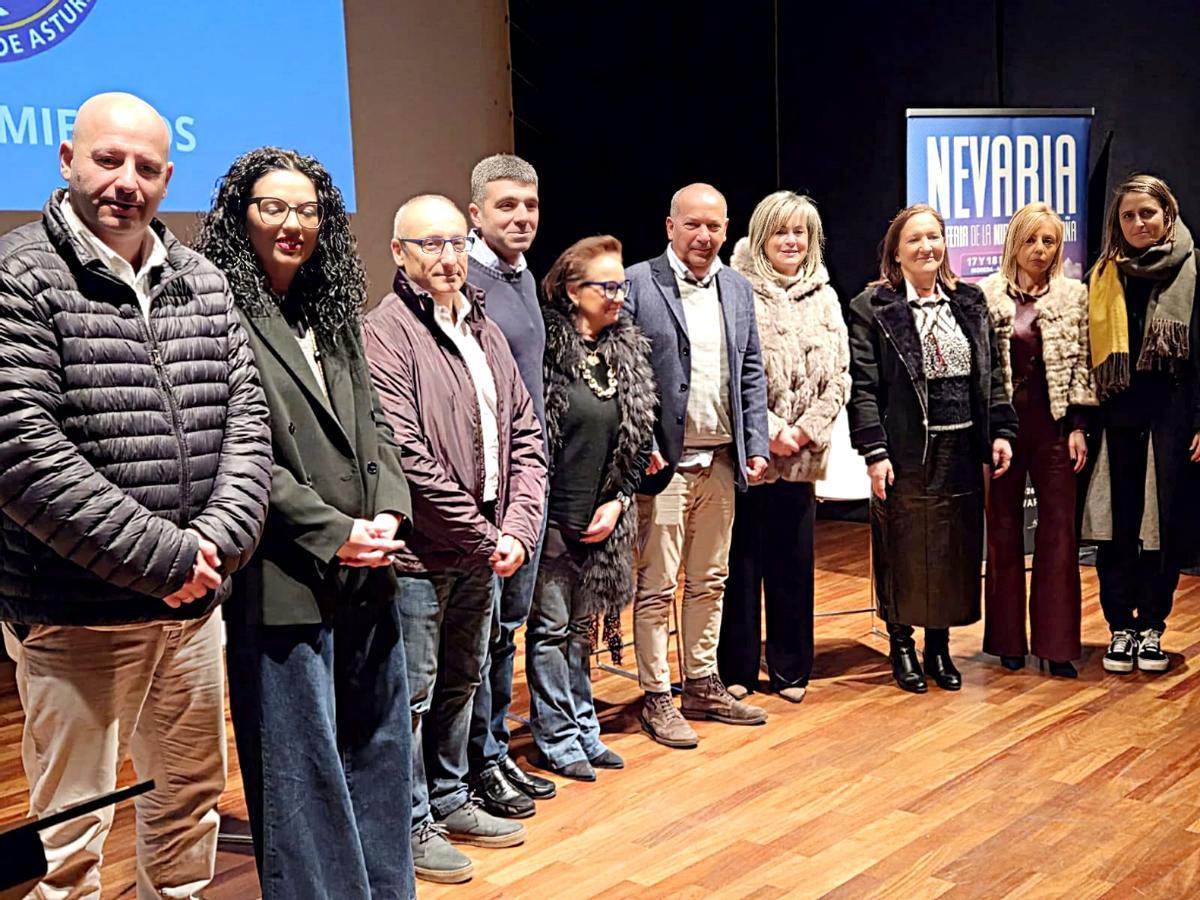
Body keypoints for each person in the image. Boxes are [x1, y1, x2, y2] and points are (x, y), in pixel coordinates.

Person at [0, 92, 272, 898]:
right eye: (107, 159)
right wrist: (168, 559)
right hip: (73, 612)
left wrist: (212, 547)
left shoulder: (204, 279)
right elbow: (20, 449)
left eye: (146, 166)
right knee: (71, 835)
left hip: (191, 614)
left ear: (167, 175)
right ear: (66, 160)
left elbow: (247, 427)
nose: (126, 180)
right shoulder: (18, 277)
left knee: (187, 805)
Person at [194, 147, 416, 898]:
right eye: (275, 208)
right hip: (281, 571)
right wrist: (333, 530)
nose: (295, 224)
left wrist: (388, 510)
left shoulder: (333, 309)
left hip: (367, 565)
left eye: (310, 210)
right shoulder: (214, 310)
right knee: (302, 771)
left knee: (381, 749)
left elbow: (377, 427)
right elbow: (236, 450)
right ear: (239, 216)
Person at [363, 194, 547, 884]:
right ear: (398, 252)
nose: (446, 257)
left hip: (486, 543)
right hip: (423, 552)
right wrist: (482, 535)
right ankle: (409, 822)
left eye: (455, 243)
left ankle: (449, 795)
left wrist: (519, 526)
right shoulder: (383, 332)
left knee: (464, 679)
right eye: (429, 243)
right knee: (411, 693)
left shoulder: (483, 324)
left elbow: (524, 430)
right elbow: (406, 456)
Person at [847, 204, 1016, 694]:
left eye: (934, 238)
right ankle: (901, 643)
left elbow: (995, 374)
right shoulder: (873, 307)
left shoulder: (970, 301)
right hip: (904, 451)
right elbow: (863, 388)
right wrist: (875, 453)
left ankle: (938, 646)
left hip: (962, 447)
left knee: (952, 550)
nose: (926, 247)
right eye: (915, 240)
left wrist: (1002, 431)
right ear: (896, 253)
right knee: (903, 546)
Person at [624, 182, 771, 749]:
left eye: (714, 226)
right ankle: (657, 694)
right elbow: (626, 373)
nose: (704, 236)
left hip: (721, 462)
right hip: (662, 466)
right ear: (669, 226)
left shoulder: (737, 287)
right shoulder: (638, 283)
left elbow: (750, 369)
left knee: (711, 579)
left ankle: (702, 683)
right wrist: (640, 447)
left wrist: (754, 441)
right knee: (657, 585)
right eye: (692, 225)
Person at [527, 235, 656, 780]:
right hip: (553, 518)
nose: (618, 295)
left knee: (581, 632)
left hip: (605, 519)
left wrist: (621, 499)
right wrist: (551, 517)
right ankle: (555, 736)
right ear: (572, 291)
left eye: (621, 284)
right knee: (551, 631)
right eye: (607, 286)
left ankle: (584, 728)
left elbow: (638, 440)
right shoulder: (546, 353)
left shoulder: (625, 350)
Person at [720, 191, 849, 703]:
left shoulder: (826, 295)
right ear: (760, 236)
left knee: (794, 564)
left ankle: (792, 670)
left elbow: (839, 377)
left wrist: (802, 432)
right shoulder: (734, 289)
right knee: (741, 566)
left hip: (802, 455)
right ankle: (738, 670)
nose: (791, 241)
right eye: (781, 231)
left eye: (801, 233)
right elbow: (731, 372)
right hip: (751, 452)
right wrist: (767, 430)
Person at [464, 154, 557, 816]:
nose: (520, 217)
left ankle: (494, 750)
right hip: (484, 499)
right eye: (506, 207)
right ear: (476, 213)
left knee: (507, 632)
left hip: (527, 487)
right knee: (478, 636)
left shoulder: (521, 279)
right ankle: (471, 765)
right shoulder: (461, 279)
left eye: (528, 206)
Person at [1081, 174, 1200, 674]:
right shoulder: (1104, 274)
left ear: (1167, 214)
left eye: (1146, 213)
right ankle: (1120, 628)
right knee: (1116, 529)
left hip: (1171, 421)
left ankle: (1152, 625)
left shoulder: (1192, 271)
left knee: (1162, 529)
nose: (1137, 223)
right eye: (1127, 216)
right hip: (1115, 422)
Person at [979, 202, 1096, 678]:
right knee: (1003, 531)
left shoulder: (1074, 296)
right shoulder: (986, 296)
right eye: (1031, 240)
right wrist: (988, 431)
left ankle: (1057, 642)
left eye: (1049, 241)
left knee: (1058, 534)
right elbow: (982, 373)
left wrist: (1078, 428)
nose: (1040, 251)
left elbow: (1084, 363)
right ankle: (1008, 639)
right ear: (1014, 242)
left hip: (1054, 430)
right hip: (1003, 432)